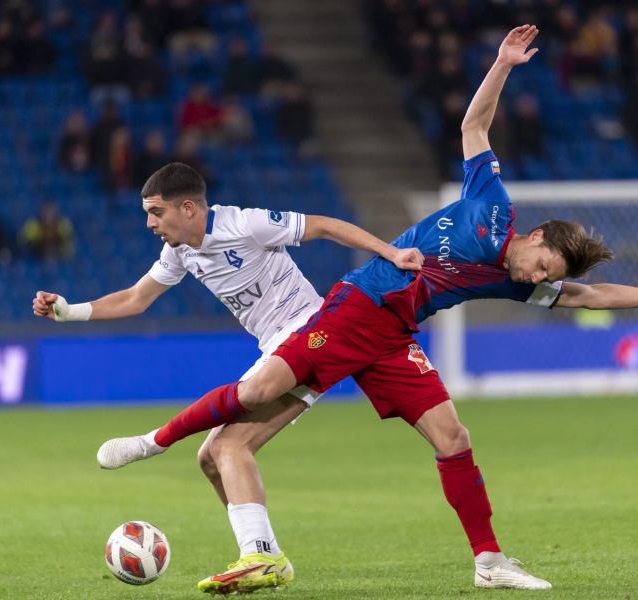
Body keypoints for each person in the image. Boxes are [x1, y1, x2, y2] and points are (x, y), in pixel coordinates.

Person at [96, 26, 638, 593]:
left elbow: (589, 295)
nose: (541, 279)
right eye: (545, 266)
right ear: (539, 237)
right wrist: (500, 65)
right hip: (358, 305)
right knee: (255, 391)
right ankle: (155, 442)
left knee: (452, 436)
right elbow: (474, 127)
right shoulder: (491, 205)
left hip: (393, 336)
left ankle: (489, 561)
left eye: (548, 279)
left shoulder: (510, 281)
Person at [31, 161, 424, 590]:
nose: (149, 223)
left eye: (156, 212)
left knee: (232, 440)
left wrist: (391, 252)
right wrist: (68, 310)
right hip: (277, 347)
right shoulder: (180, 251)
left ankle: (165, 453)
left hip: (309, 333)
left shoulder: (245, 224)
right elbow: (135, 299)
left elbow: (324, 226)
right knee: (212, 457)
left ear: (187, 208)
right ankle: (267, 555)